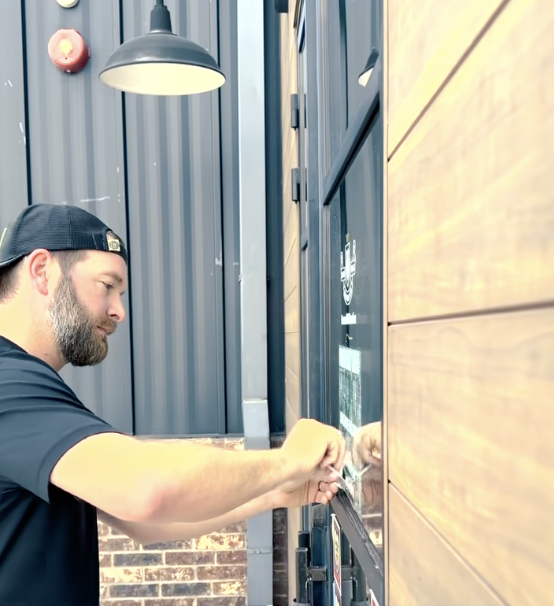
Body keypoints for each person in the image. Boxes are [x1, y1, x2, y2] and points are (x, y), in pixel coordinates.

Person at [0, 204, 345, 606]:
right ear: (42, 271)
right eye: (107, 285)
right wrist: (287, 461)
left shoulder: (29, 387)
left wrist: (277, 492)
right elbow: (146, 489)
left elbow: (141, 520)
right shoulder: (8, 383)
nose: (118, 311)